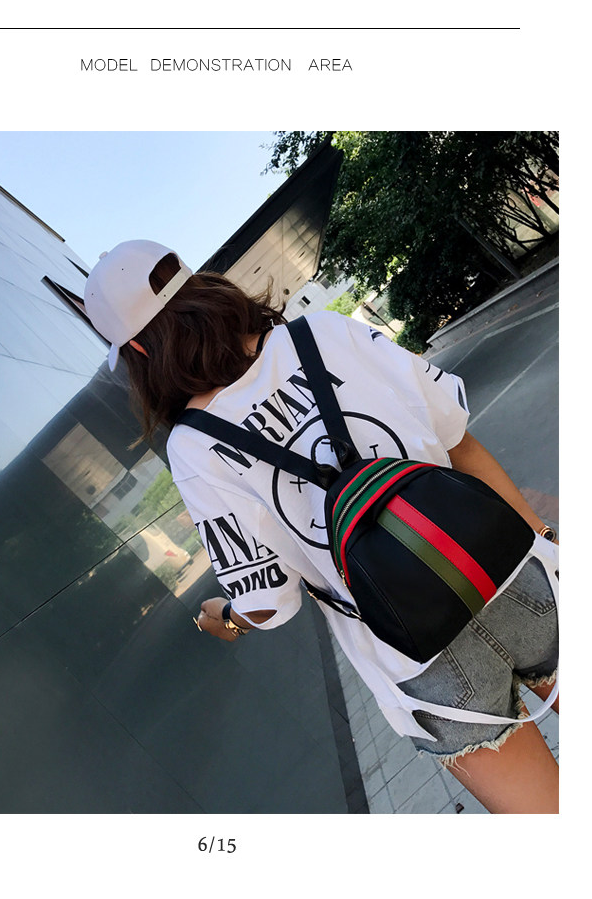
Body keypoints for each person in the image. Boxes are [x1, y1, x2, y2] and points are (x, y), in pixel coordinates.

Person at [83, 240, 559, 814]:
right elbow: (459, 439)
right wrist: (545, 541)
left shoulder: (194, 447)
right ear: (200, 285)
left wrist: (226, 618)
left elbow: (269, 601)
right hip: (506, 567)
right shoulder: (324, 333)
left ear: (137, 350)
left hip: (415, 651)